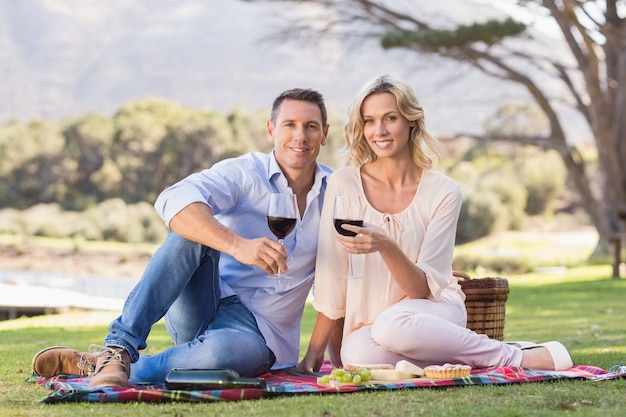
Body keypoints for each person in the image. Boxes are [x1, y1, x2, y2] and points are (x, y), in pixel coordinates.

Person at [32, 87, 333, 387]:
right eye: (289, 125)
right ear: (271, 130)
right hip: (204, 304)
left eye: (310, 126)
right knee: (190, 229)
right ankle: (119, 347)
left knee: (226, 353)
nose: (300, 136)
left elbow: (341, 281)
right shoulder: (244, 173)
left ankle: (102, 366)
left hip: (261, 335)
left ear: (325, 133)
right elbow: (174, 198)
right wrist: (236, 245)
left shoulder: (336, 192)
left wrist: (319, 353)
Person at [296, 74, 574, 374]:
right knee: (356, 353)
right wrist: (316, 351)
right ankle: (472, 357)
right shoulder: (343, 182)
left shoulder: (443, 191)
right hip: (375, 328)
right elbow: (333, 275)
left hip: (433, 311)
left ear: (411, 121)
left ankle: (513, 358)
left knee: (393, 324)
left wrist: (387, 245)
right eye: (369, 120)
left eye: (391, 118)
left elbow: (420, 290)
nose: (379, 131)